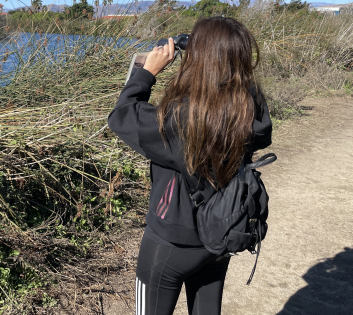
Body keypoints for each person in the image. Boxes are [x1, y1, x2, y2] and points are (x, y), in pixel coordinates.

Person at [107, 17, 272, 315]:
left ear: (197, 59)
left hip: (171, 243)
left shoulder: (181, 121)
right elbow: (259, 122)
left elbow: (122, 116)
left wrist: (146, 73)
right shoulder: (249, 114)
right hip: (220, 230)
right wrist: (234, 68)